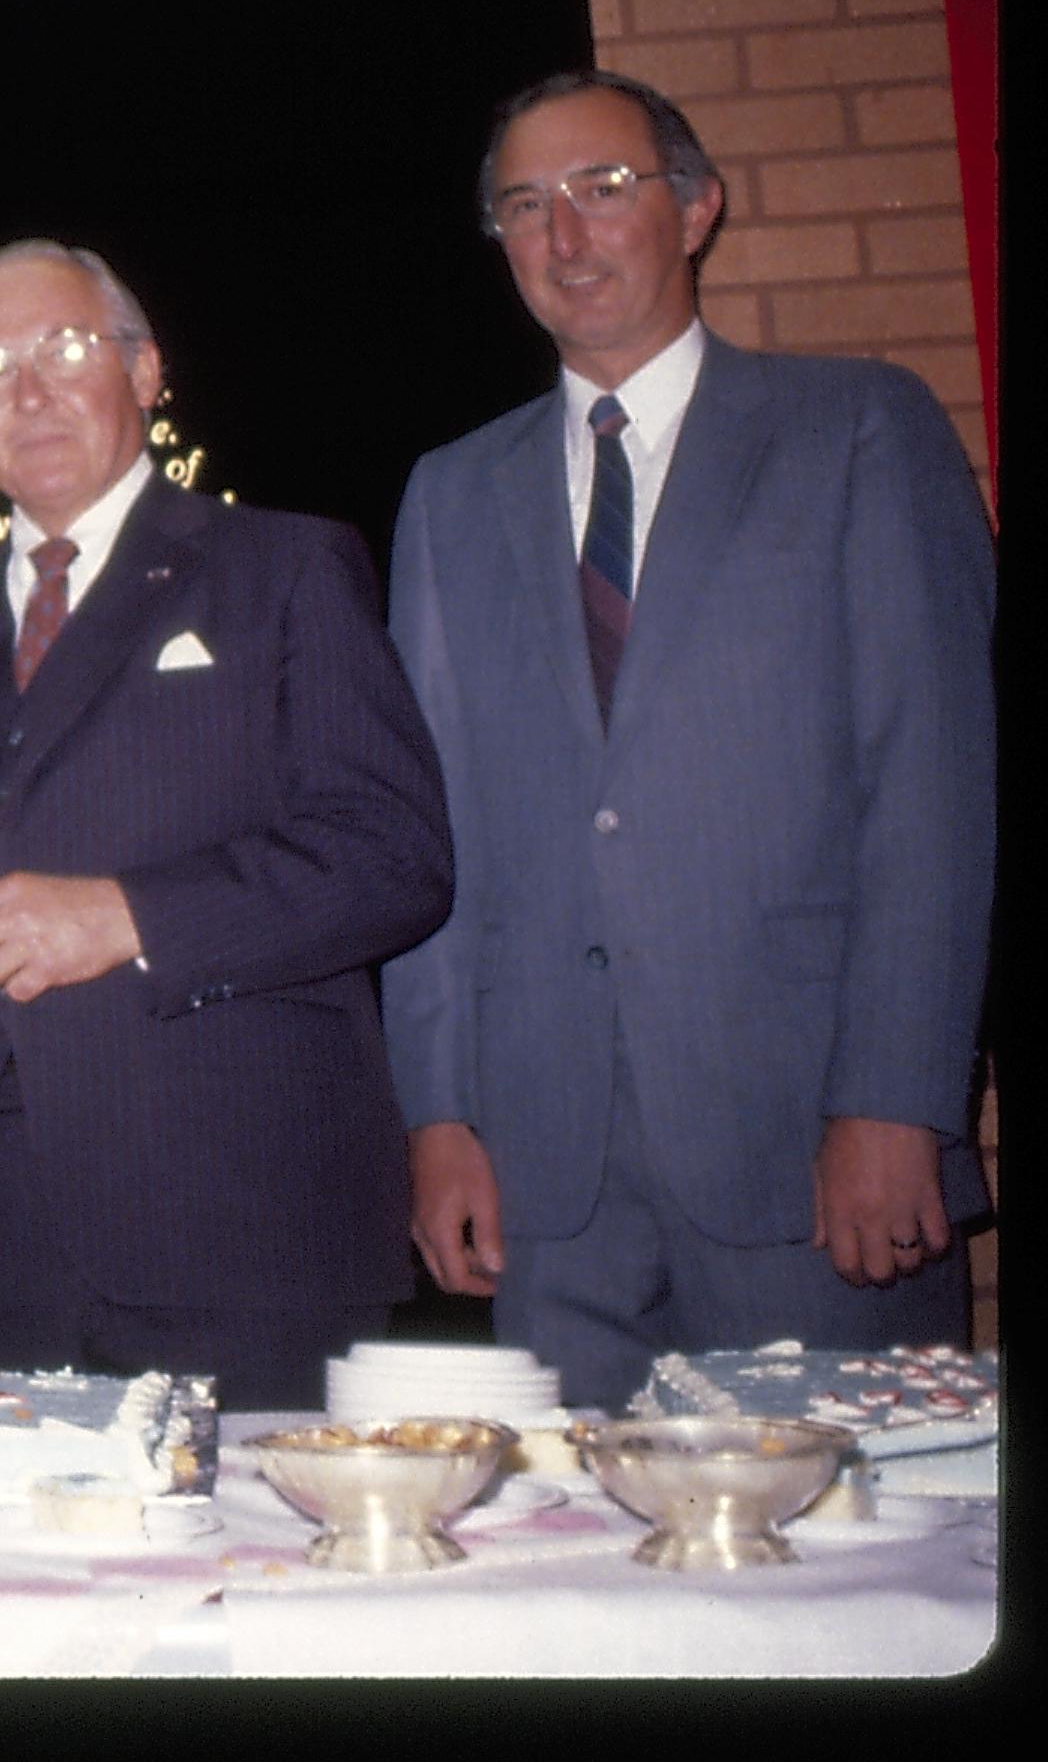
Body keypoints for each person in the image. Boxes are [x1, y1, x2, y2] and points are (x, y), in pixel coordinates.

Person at [385, 71, 993, 1406]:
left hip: (812, 1156)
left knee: (849, 1578)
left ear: (697, 207)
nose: (567, 235)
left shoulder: (858, 432)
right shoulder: (450, 494)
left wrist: (899, 1099)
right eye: (525, 206)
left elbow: (939, 792)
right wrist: (440, 1118)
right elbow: (434, 842)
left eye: (606, 189)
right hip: (551, 1181)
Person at [0, 242, 451, 1411]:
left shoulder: (284, 569)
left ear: (146, 372)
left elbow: (393, 855)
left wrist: (128, 916)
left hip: (240, 1242)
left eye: (64, 350)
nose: (27, 391)